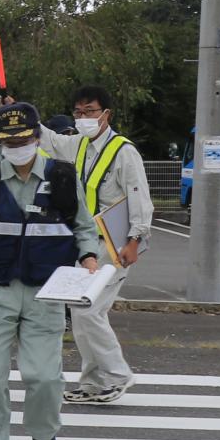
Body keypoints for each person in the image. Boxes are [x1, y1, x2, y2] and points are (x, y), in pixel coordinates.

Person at [0, 103, 103, 440]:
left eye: (22, 139)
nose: (16, 146)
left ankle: (43, 432)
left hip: (45, 292)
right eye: (7, 141)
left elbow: (85, 228)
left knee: (43, 376)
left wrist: (89, 261)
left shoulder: (63, 179)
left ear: (37, 137)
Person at [55, 85, 150, 404]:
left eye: (90, 112)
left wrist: (135, 240)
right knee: (82, 309)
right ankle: (94, 382)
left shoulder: (124, 151)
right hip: (86, 244)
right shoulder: (77, 146)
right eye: (78, 112)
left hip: (115, 242)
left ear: (106, 114)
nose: (83, 118)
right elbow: (46, 139)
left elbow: (140, 198)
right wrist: (17, 109)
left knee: (89, 310)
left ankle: (116, 374)